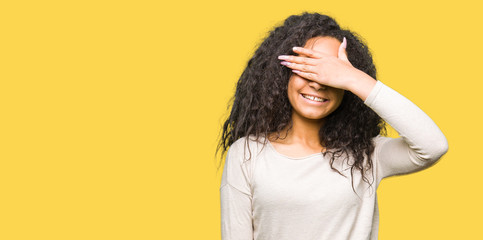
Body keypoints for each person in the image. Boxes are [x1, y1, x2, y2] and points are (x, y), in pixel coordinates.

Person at [216, 12, 448, 240]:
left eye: (330, 73)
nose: (318, 84)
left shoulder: (367, 155)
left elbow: (433, 145)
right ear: (282, 75)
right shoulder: (246, 154)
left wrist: (354, 78)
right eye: (307, 68)